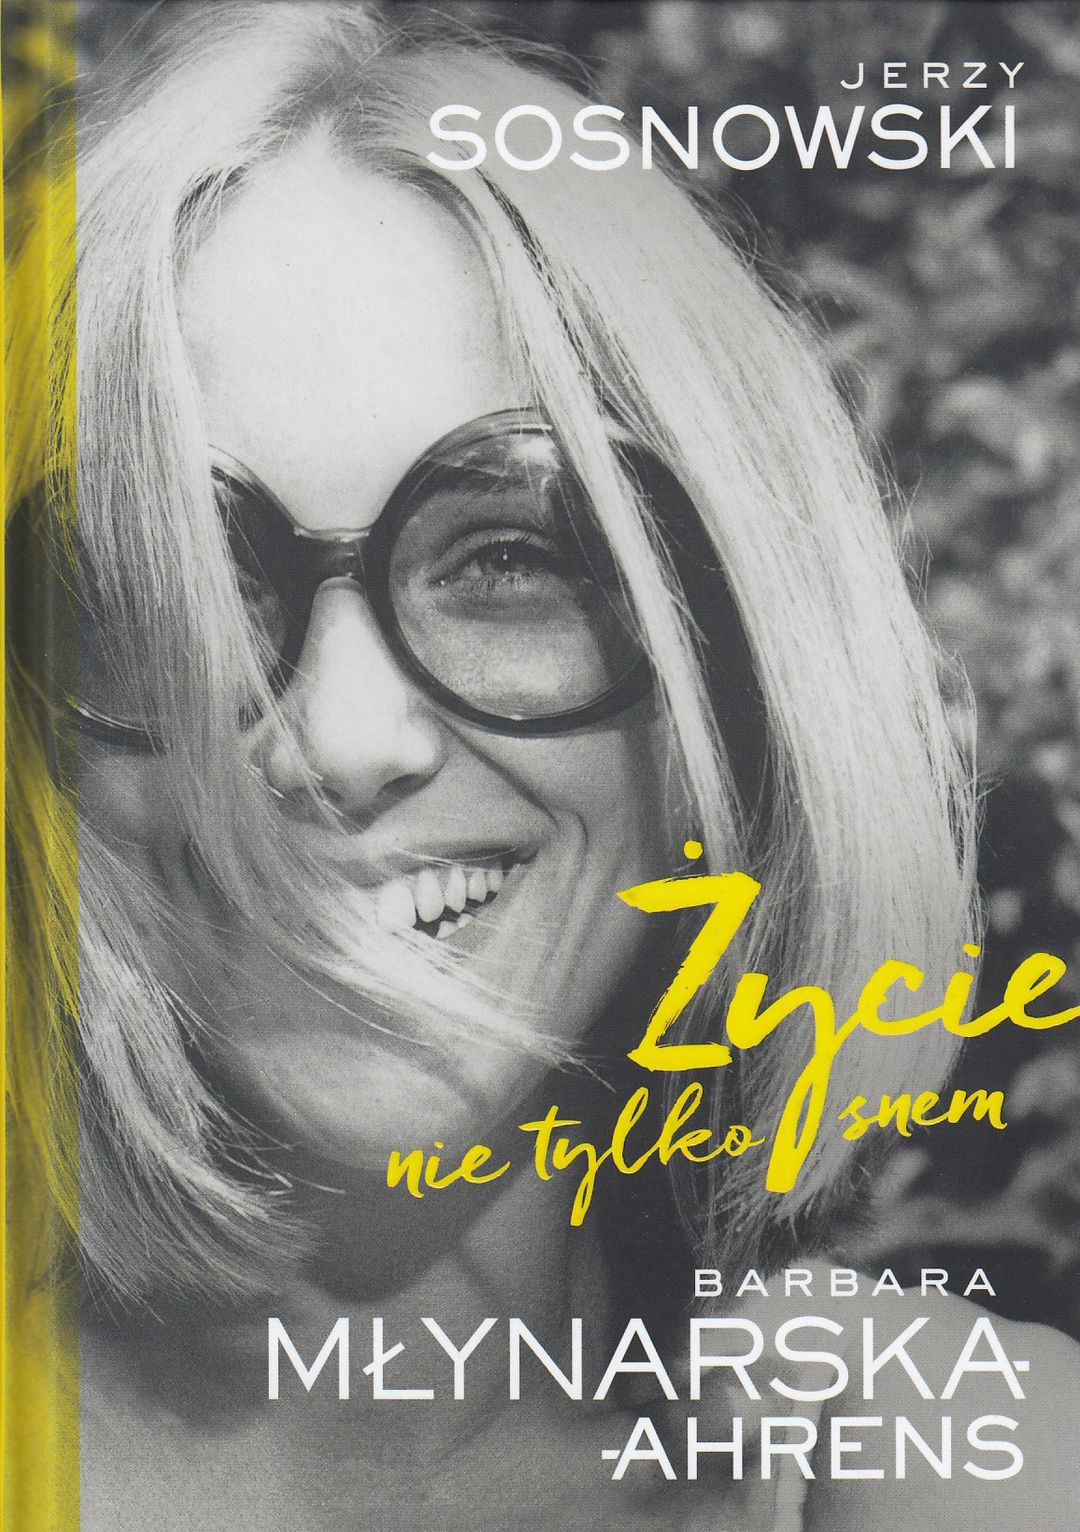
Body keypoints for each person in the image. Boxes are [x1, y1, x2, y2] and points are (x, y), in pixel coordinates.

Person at [7, 2, 1078, 1528]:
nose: (342, 741)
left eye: (508, 557)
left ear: (738, 672)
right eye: (178, 580)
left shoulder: (934, 1464)